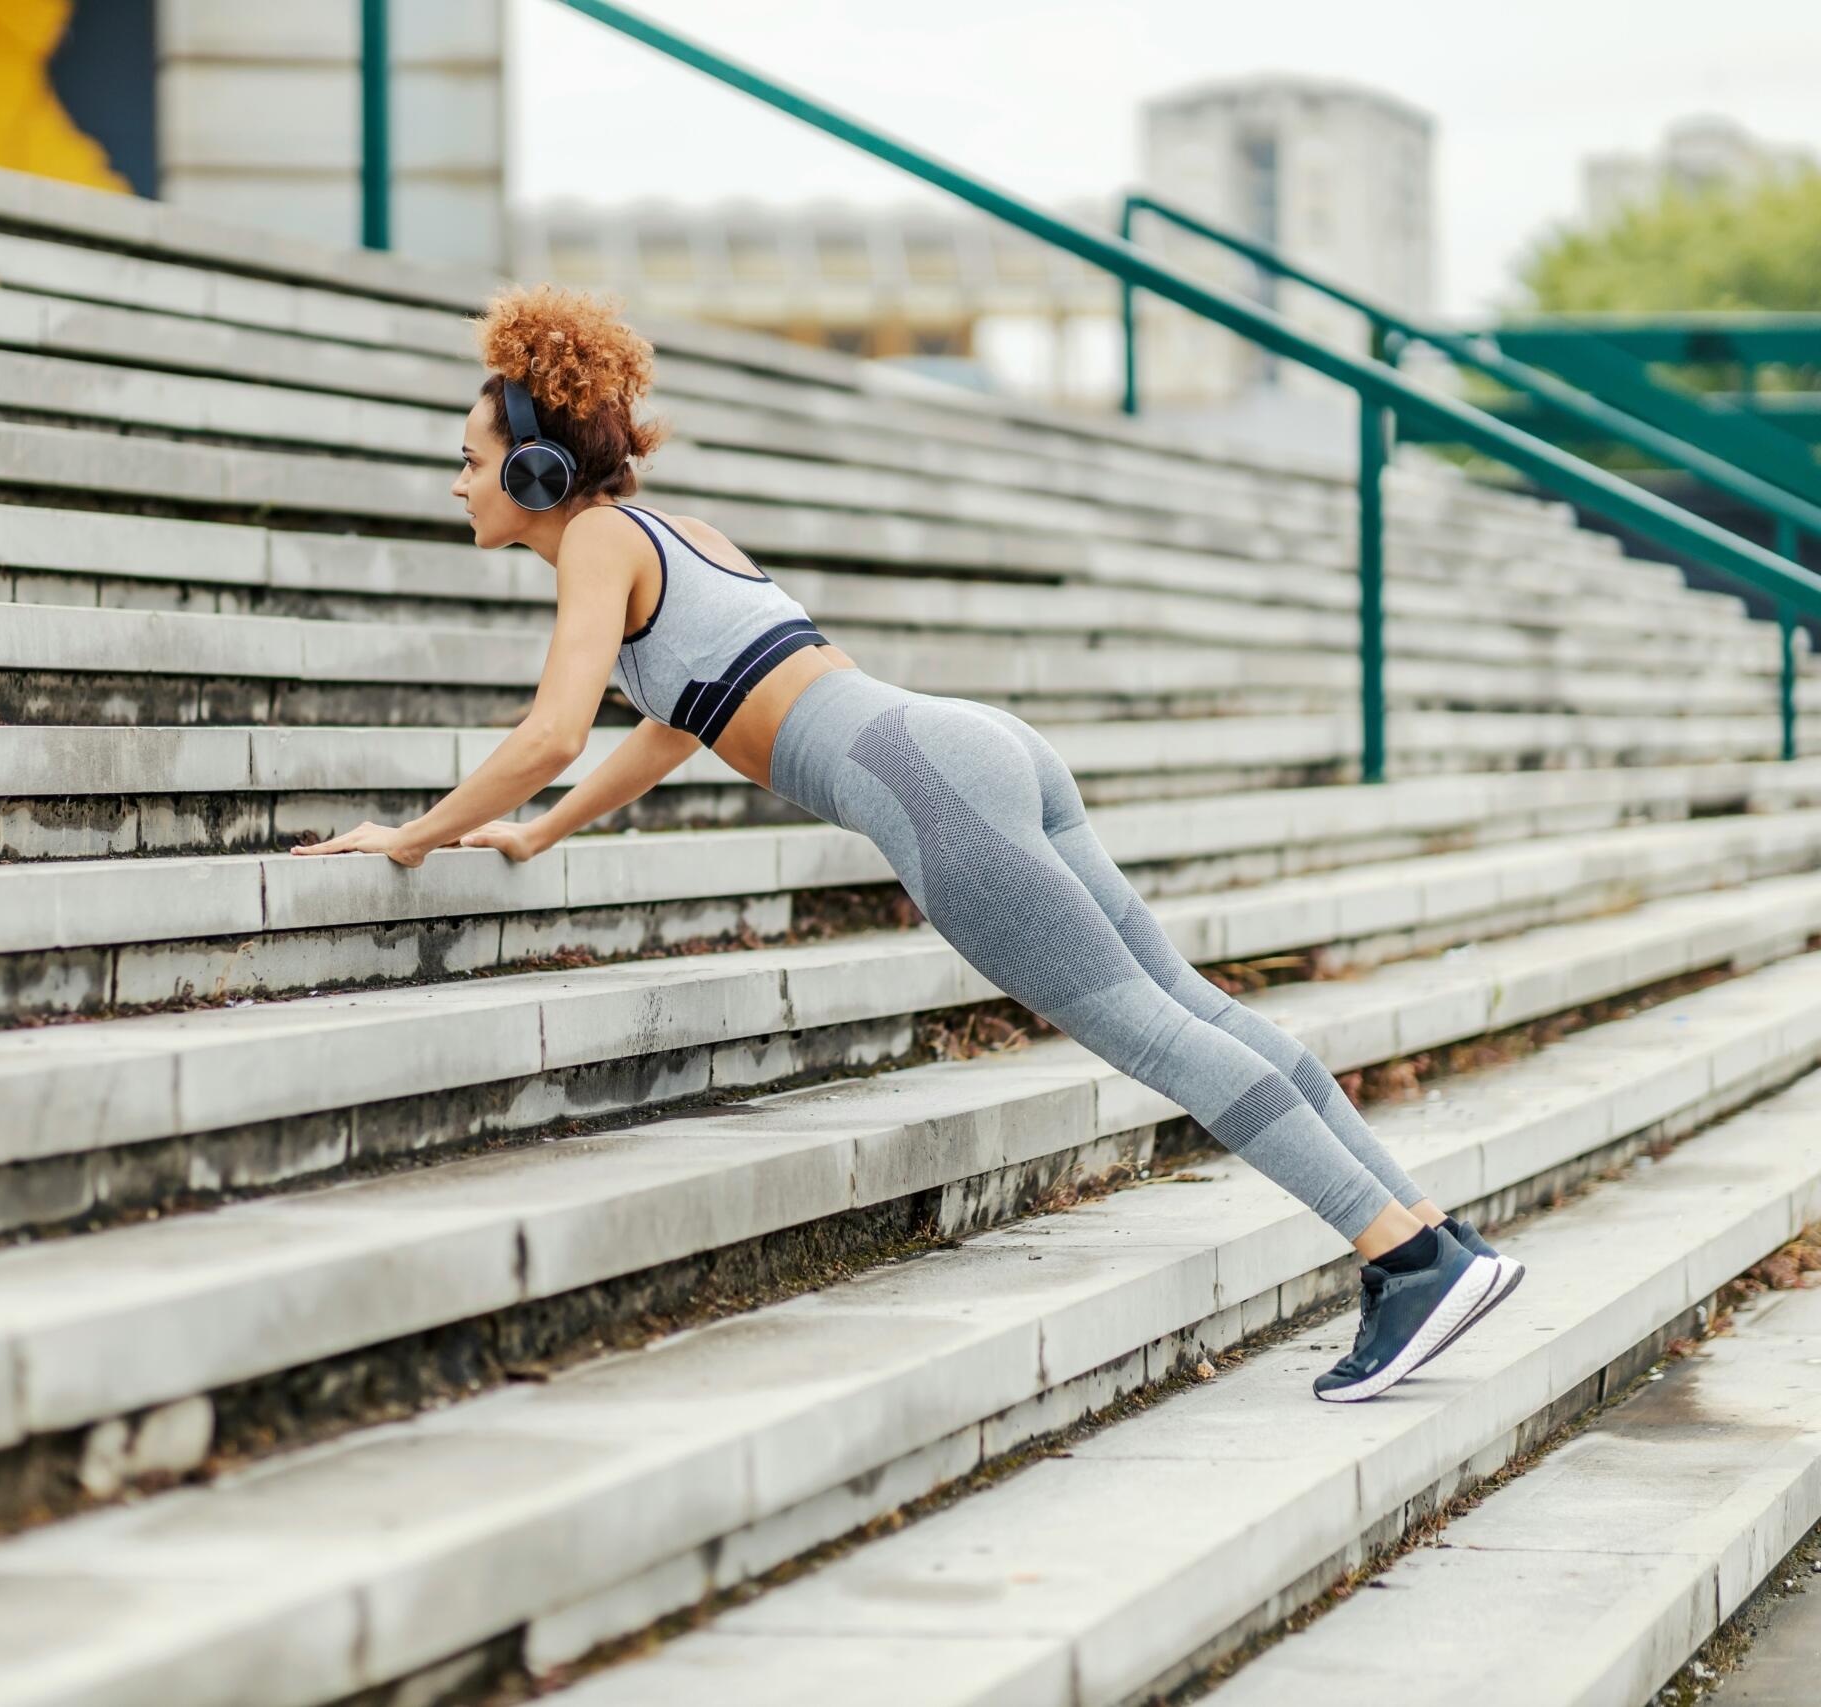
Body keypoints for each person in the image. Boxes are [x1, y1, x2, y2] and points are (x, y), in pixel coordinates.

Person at [293, 283, 1522, 1402]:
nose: (457, 483)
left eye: (470, 461)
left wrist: (415, 834)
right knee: (1190, 1005)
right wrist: (540, 835)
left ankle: (1402, 1258)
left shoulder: (601, 549)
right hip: (969, 746)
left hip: (927, 789)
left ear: (543, 476)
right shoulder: (673, 536)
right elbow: (672, 726)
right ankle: (1429, 1236)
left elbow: (549, 728)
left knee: (1153, 1032)